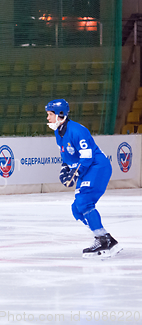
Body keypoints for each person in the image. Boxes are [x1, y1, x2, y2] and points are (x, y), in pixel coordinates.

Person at [46, 99, 121, 258]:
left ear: (60, 115)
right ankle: (106, 239)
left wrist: (75, 174)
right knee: (76, 209)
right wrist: (65, 167)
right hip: (86, 169)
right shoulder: (58, 132)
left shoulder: (78, 131)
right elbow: (67, 155)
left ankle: (103, 240)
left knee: (84, 202)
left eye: (50, 114)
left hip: (97, 167)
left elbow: (87, 157)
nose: (48, 118)